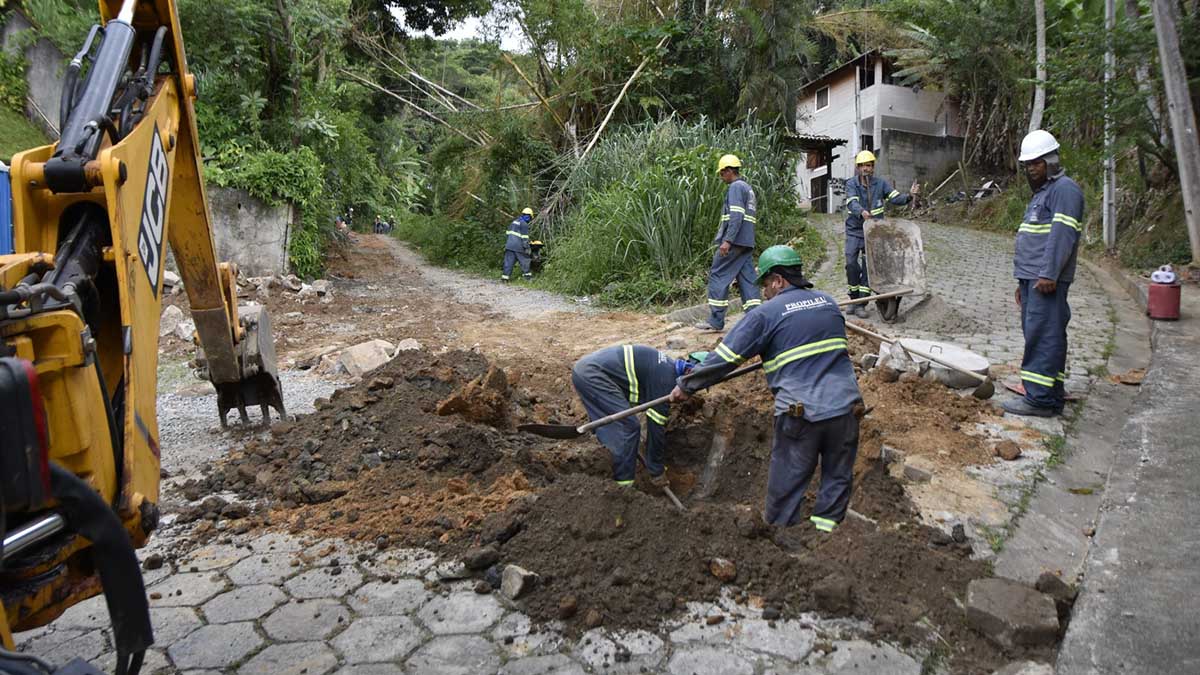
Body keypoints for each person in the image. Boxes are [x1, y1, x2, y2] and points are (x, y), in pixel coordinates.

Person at [672, 245, 863, 534]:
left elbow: (725, 358)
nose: (763, 292)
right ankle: (825, 539)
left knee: (787, 485)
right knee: (837, 478)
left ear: (778, 280)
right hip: (846, 407)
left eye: (765, 284)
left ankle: (779, 545)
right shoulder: (828, 303)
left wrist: (688, 385)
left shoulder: (767, 313)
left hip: (803, 414)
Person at [1002, 130, 1084, 418]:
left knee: (1043, 335)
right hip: (1032, 278)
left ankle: (1039, 401)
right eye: (1028, 164)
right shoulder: (1043, 194)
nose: (1031, 169)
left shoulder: (1065, 190)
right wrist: (1022, 281)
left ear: (1051, 161)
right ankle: (1050, 392)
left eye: (1036, 163)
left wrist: (1048, 273)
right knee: (1039, 333)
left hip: (1045, 280)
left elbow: (1062, 235)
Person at [573, 346, 698, 486]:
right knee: (628, 427)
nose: (689, 394)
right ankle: (623, 486)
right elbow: (655, 428)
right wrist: (656, 469)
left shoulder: (666, 367)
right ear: (688, 372)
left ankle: (610, 455)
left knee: (618, 424)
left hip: (587, 369)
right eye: (692, 388)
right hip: (592, 374)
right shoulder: (665, 381)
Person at [842, 150, 918, 318]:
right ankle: (852, 299)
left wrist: (909, 196)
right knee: (851, 263)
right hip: (855, 230)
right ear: (857, 168)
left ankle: (861, 303)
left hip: (874, 233)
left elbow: (895, 197)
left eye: (868, 165)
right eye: (862, 166)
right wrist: (861, 211)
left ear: (873, 167)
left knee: (870, 267)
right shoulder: (851, 184)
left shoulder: (880, 184)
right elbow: (851, 202)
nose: (865, 169)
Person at [694, 154, 762, 331]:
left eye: (722, 173)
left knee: (718, 274)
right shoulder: (747, 188)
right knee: (747, 278)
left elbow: (736, 215)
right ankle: (756, 318)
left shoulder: (735, 187)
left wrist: (727, 240)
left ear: (729, 171)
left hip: (735, 241)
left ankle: (716, 320)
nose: (720, 176)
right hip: (746, 242)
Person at [502, 208, 535, 282]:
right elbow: (524, 238)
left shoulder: (514, 222)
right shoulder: (524, 224)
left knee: (508, 262)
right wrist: (527, 248)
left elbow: (507, 233)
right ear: (529, 216)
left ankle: (505, 278)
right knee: (525, 260)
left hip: (509, 245)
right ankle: (528, 278)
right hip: (518, 246)